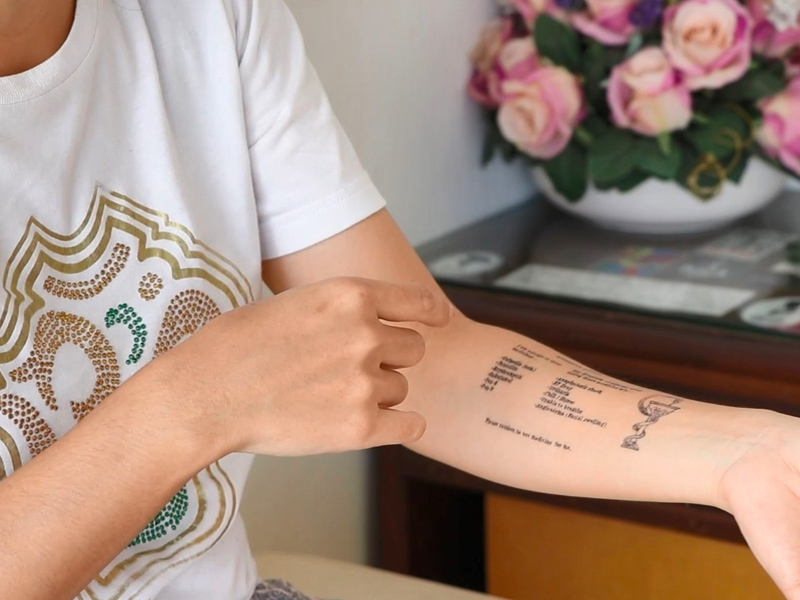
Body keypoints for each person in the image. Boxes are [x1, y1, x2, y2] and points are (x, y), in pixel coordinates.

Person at [2, 1, 800, 599]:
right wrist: (190, 407)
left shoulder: (204, 17)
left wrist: (745, 452)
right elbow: (208, 398)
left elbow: (416, 356)